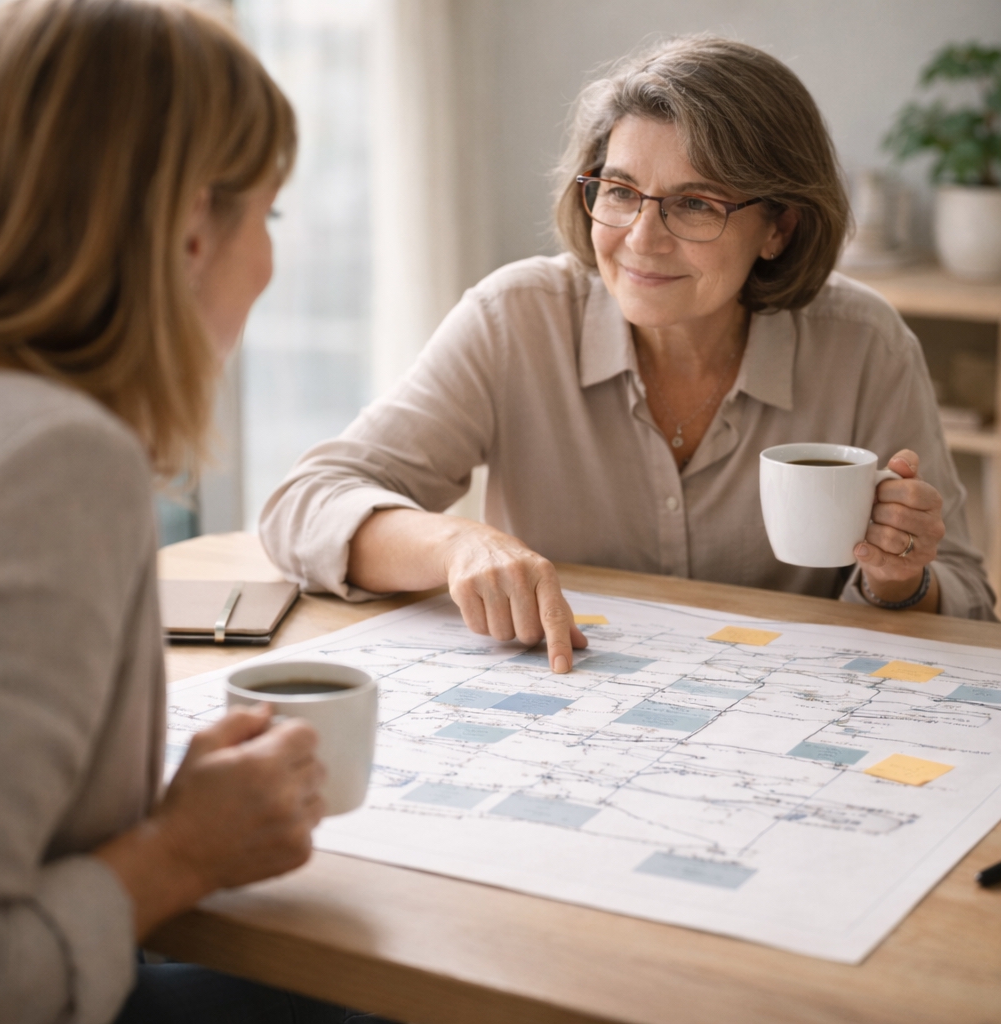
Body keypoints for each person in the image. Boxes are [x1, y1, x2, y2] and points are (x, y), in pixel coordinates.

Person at [261, 35, 996, 675]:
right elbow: (306, 504)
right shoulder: (514, 318)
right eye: (620, 191)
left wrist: (899, 579)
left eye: (696, 204)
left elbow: (965, 597)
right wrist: (457, 544)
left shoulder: (864, 343)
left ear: (779, 228)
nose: (642, 239)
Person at [0, 1, 393, 1022]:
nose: (270, 264)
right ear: (192, 230)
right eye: (269, 217)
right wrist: (181, 851)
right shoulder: (56, 459)